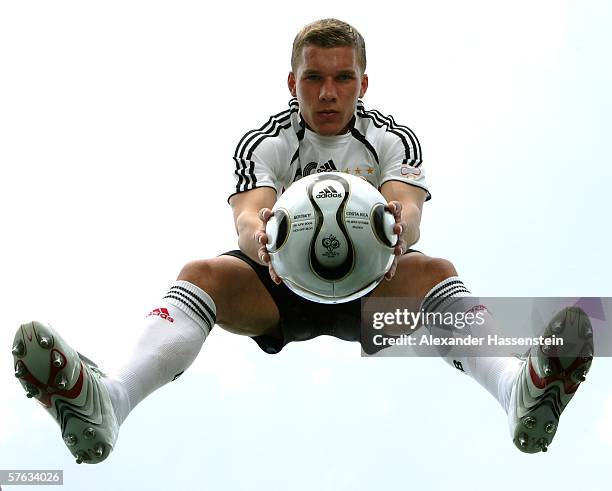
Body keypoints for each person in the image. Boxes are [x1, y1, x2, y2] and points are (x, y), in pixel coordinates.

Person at [11, 18, 593, 464]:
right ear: (293, 82)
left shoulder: (392, 139)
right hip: (279, 286)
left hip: (371, 289)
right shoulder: (264, 142)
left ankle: (520, 391)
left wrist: (399, 229)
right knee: (202, 274)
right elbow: (247, 214)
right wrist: (258, 236)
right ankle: (109, 402)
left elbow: (409, 211)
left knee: (433, 270)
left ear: (363, 83)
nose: (329, 92)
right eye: (314, 77)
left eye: (343, 78)